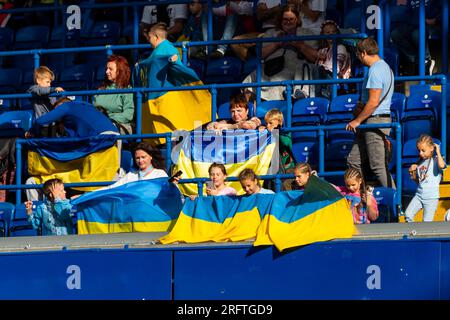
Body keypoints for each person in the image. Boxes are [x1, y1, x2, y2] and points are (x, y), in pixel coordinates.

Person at [346, 38, 395, 189]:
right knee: (353, 160)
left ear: (364, 53)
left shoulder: (375, 70)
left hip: (374, 121)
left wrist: (357, 121)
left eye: (358, 55)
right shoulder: (385, 67)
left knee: (377, 166)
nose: (358, 58)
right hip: (372, 121)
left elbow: (373, 102)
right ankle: (361, 198)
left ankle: (395, 204)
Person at [242, 3, 318, 101]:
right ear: (280, 20)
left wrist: (301, 45)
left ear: (297, 20)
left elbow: (315, 58)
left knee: (303, 68)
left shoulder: (306, 34)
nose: (288, 22)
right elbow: (261, 55)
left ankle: (298, 98)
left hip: (295, 68)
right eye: (285, 19)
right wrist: (276, 44)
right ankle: (252, 111)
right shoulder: (271, 33)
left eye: (291, 19)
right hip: (272, 67)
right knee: (251, 78)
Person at [295, 20, 352, 99]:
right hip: (321, 77)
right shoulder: (323, 50)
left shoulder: (341, 47)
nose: (331, 34)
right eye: (327, 32)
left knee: (316, 69)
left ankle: (307, 93)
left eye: (333, 32)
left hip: (335, 79)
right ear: (323, 35)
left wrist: (321, 64)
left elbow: (334, 69)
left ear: (337, 33)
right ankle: (298, 92)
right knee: (303, 66)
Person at [96, 141, 172, 191]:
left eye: (143, 157)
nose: (140, 161)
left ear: (151, 156)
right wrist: (91, 193)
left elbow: (168, 191)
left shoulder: (159, 174)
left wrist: (173, 185)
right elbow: (112, 188)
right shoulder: (131, 175)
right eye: (137, 158)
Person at [405, 134, 446, 223]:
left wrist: (438, 152)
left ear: (431, 148)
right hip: (419, 195)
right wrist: (413, 173)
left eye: (423, 150)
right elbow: (419, 182)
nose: (420, 153)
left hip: (431, 198)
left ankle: (422, 236)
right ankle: (413, 234)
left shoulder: (436, 160)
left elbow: (442, 166)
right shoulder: (420, 163)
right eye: (419, 151)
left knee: (426, 222)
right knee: (408, 214)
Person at [93, 55, 135, 135]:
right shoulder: (101, 88)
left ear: (120, 71)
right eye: (106, 69)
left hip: (119, 124)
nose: (107, 72)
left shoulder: (126, 89)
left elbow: (128, 114)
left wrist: (108, 118)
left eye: (110, 69)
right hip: (99, 124)